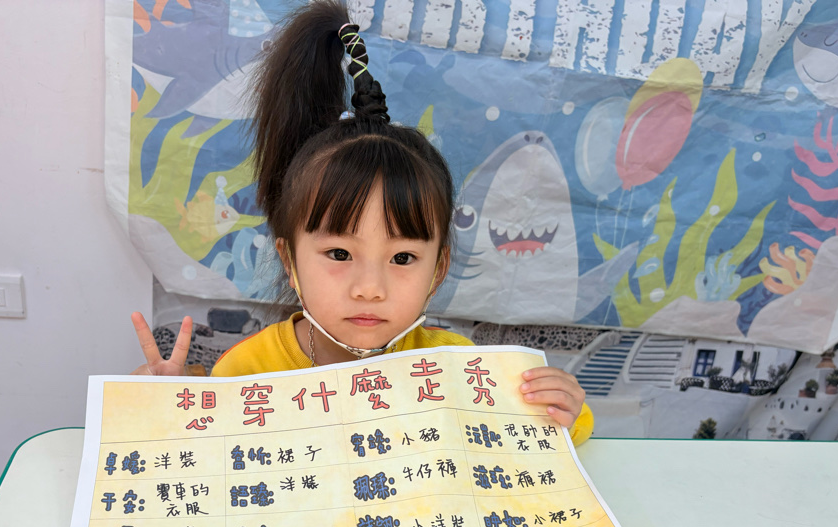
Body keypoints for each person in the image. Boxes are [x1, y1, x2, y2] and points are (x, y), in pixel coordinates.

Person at [131, 0, 592, 445]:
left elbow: (551, 429)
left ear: (439, 267)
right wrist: (167, 411)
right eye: (339, 253)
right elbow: (208, 455)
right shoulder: (247, 373)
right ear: (289, 260)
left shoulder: (457, 366)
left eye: (403, 258)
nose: (370, 288)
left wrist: (562, 411)